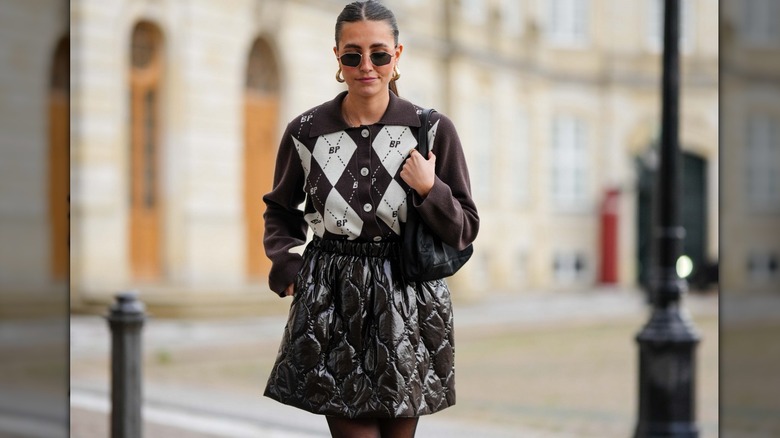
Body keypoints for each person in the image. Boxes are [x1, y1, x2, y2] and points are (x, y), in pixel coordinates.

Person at [262, 1, 478, 437]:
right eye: (352, 54)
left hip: (407, 297)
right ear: (337, 58)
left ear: (397, 56)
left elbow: (465, 227)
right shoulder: (305, 132)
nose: (366, 66)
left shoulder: (431, 131)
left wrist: (429, 189)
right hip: (331, 298)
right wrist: (287, 264)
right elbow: (281, 209)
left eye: (379, 54)